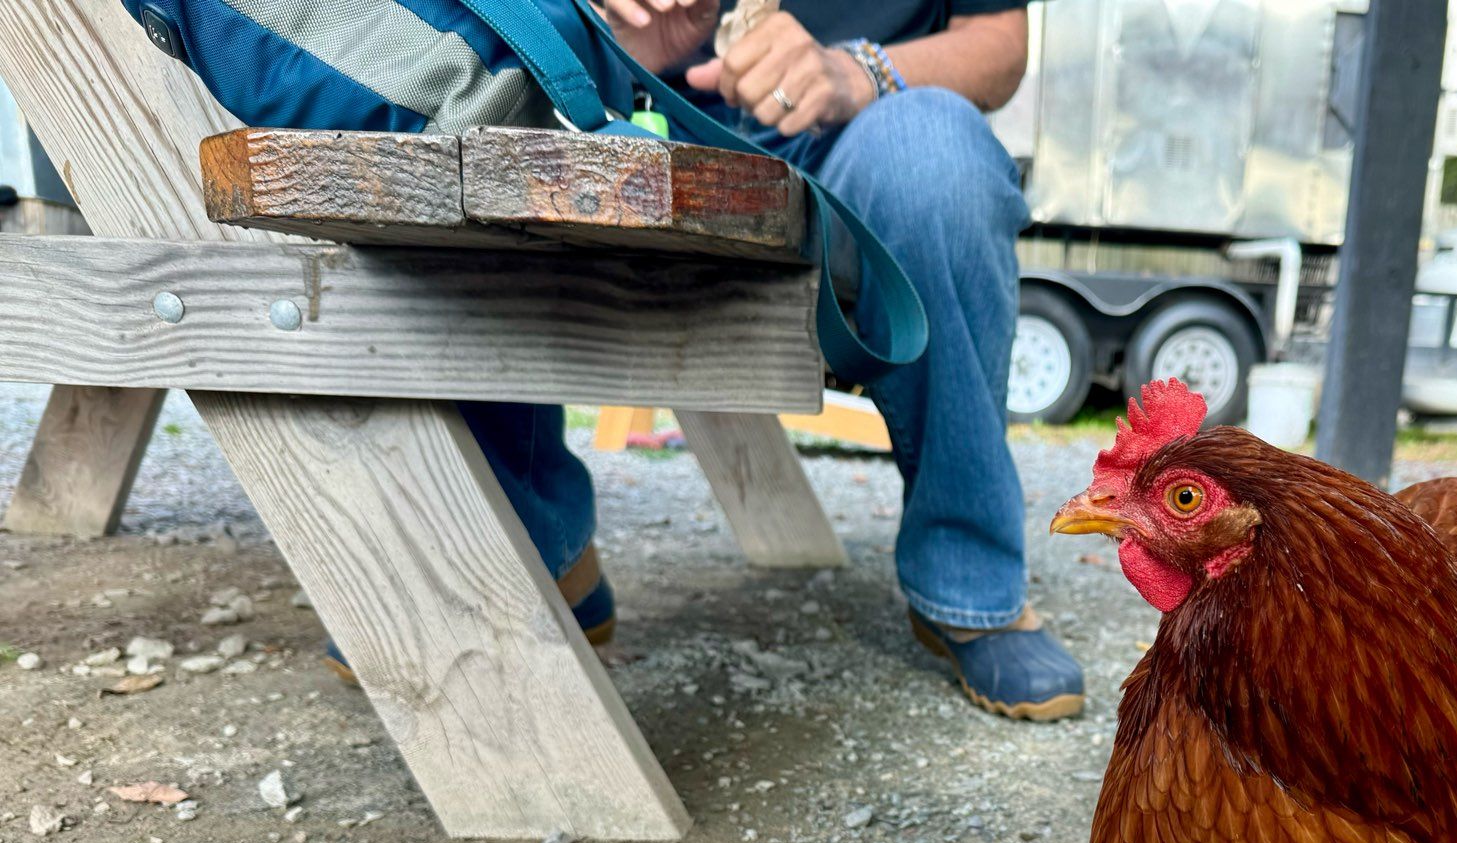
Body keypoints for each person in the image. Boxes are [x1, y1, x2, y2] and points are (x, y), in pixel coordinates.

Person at [383, 0, 1085, 721]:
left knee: (938, 158)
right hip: (636, 110)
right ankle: (538, 543)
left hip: (864, 126)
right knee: (478, 134)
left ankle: (967, 584)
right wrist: (602, 36)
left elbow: (998, 46)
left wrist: (854, 73)